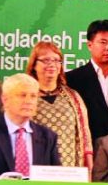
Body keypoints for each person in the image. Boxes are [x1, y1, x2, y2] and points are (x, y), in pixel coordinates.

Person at [27, 41, 93, 169]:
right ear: (34, 65)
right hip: (34, 170)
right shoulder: (26, 95)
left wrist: (88, 166)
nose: (52, 64)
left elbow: (85, 136)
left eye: (57, 60)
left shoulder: (73, 97)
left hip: (69, 171)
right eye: (46, 60)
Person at [0, 74, 60, 176]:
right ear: (5, 100)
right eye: (22, 95)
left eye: (33, 96)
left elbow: (56, 179)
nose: (28, 101)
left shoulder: (48, 137)